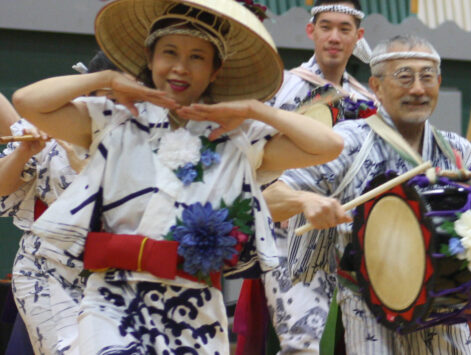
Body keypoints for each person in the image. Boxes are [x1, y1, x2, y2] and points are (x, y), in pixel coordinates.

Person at [11, 0, 344, 353]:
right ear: (150, 58)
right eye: (169, 52)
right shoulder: (115, 118)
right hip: (112, 299)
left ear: (216, 71)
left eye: (197, 57)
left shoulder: (235, 136)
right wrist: (105, 78)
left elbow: (328, 146)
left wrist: (255, 109)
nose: (180, 68)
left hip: (195, 308)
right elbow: (27, 101)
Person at [262, 34, 471, 354]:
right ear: (375, 86)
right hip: (372, 312)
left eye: (427, 76)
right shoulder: (346, 143)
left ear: (439, 83)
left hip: (447, 312)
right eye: (404, 76)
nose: (418, 88)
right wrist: (304, 201)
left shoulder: (456, 150)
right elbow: (266, 198)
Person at [245, 1, 377, 354]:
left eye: (344, 29)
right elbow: (253, 159)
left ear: (358, 36)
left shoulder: (369, 101)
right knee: (300, 341)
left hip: (350, 234)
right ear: (311, 31)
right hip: (290, 230)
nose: (334, 37)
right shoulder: (281, 88)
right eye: (326, 27)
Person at [0, 51, 118, 355]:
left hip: (118, 274)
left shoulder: (149, 135)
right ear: (89, 93)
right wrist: (23, 152)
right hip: (49, 269)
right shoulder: (55, 122)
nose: (119, 106)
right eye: (110, 96)